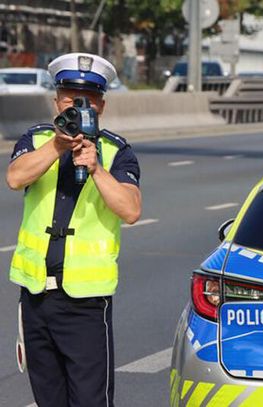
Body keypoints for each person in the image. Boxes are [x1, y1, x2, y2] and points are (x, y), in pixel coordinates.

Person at [6, 52, 142, 407]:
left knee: (89, 402)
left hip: (85, 305)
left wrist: (97, 170)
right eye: (71, 100)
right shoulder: (36, 140)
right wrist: (57, 145)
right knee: (48, 399)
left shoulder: (116, 152)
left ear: (102, 106)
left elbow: (131, 210)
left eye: (89, 102)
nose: (80, 109)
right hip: (36, 297)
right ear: (56, 102)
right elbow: (15, 177)